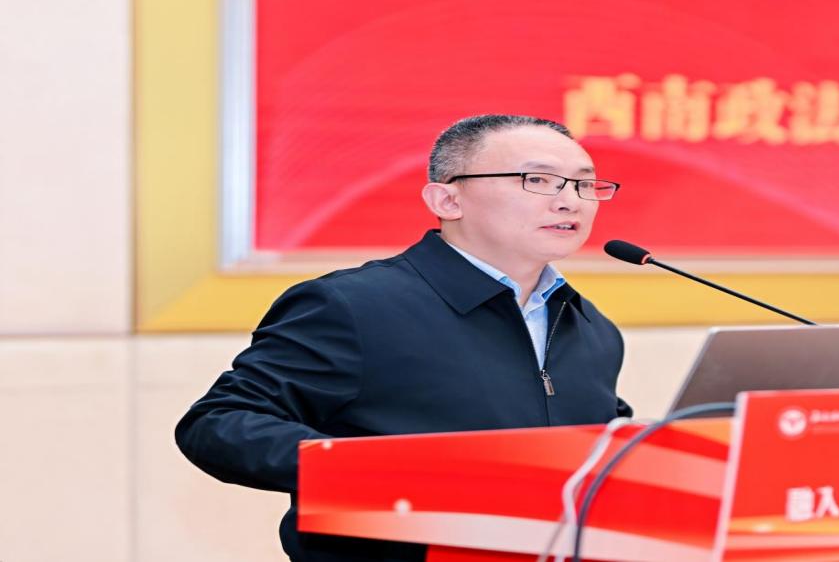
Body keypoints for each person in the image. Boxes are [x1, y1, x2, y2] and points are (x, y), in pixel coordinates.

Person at [175, 114, 633, 562]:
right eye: (538, 180)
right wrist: (386, 473)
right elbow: (218, 423)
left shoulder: (592, 328)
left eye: (584, 184)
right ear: (447, 200)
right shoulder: (353, 306)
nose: (570, 201)